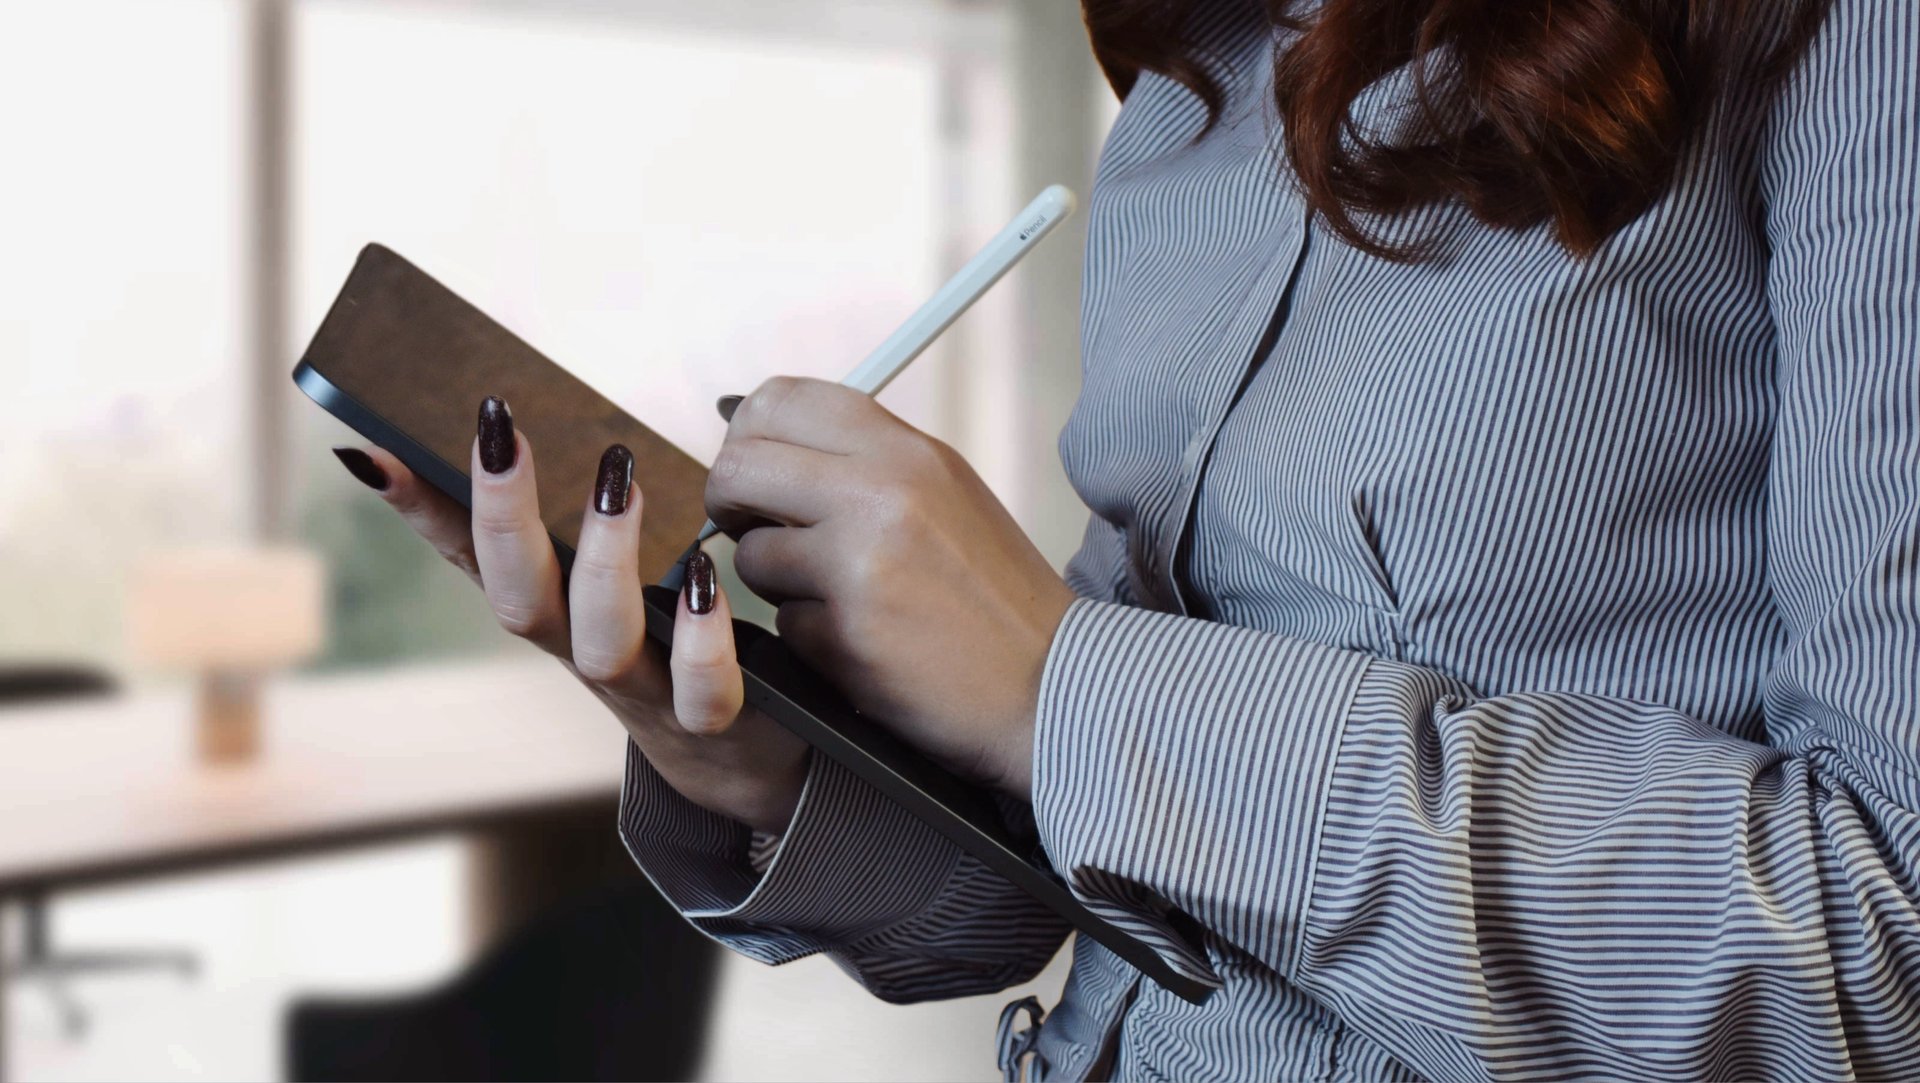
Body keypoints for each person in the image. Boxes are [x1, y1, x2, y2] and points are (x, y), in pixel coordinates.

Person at [330, 0, 1919, 1076]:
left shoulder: (1847, 45)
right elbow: (1059, 908)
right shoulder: (1193, 98)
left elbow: (1884, 958)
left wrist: (1063, 686)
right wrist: (747, 755)